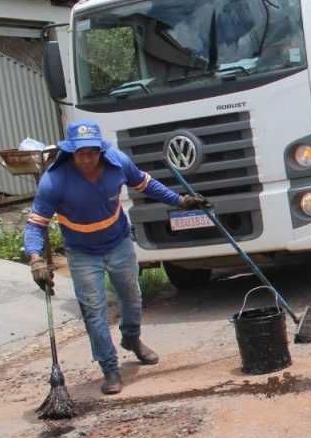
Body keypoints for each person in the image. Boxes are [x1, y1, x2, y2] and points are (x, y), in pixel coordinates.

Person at [24, 120, 208, 395]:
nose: (88, 159)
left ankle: (132, 339)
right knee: (93, 312)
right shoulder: (54, 180)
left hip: (118, 243)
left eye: (92, 152)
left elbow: (146, 184)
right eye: (81, 153)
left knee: (132, 299)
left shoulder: (118, 162)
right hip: (82, 253)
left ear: (100, 150)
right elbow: (36, 224)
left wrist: (179, 201)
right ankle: (109, 367)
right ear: (71, 152)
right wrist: (35, 258)